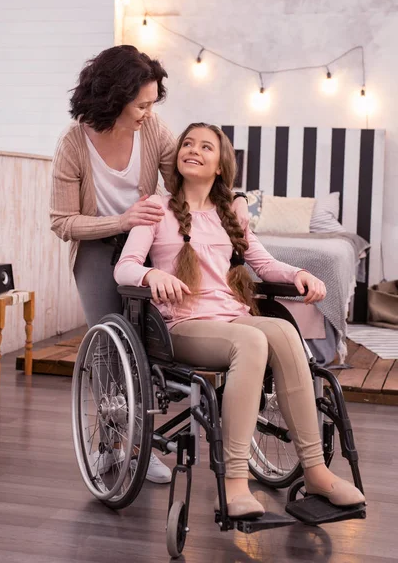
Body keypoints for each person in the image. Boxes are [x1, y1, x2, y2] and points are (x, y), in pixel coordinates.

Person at [114, 122, 366, 518]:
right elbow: (124, 268)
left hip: (230, 316)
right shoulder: (156, 209)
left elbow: (262, 262)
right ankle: (233, 481)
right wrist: (151, 274)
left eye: (206, 146)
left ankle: (315, 470)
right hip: (181, 325)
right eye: (188, 143)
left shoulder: (231, 209)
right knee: (251, 342)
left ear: (220, 165)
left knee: (282, 331)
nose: (193, 149)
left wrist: (297, 274)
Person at [50, 46, 248, 484]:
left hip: (148, 241)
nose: (148, 111)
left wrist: (230, 199)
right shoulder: (73, 143)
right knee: (110, 346)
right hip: (99, 246)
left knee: (149, 346)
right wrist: (121, 220)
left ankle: (145, 440)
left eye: (153, 102)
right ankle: (113, 444)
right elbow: (61, 222)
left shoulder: (152, 129)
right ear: (113, 97)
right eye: (141, 103)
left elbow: (185, 175)